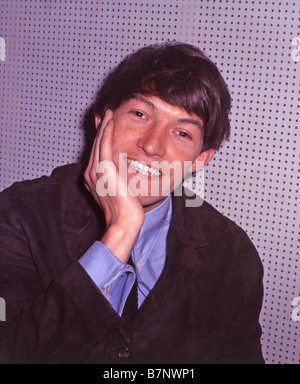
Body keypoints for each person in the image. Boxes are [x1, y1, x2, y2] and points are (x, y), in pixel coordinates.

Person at [0, 42, 265, 364]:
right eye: (140, 114)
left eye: (182, 133)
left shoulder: (232, 254)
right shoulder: (20, 215)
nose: (152, 145)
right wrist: (121, 230)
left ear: (201, 158)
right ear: (102, 120)